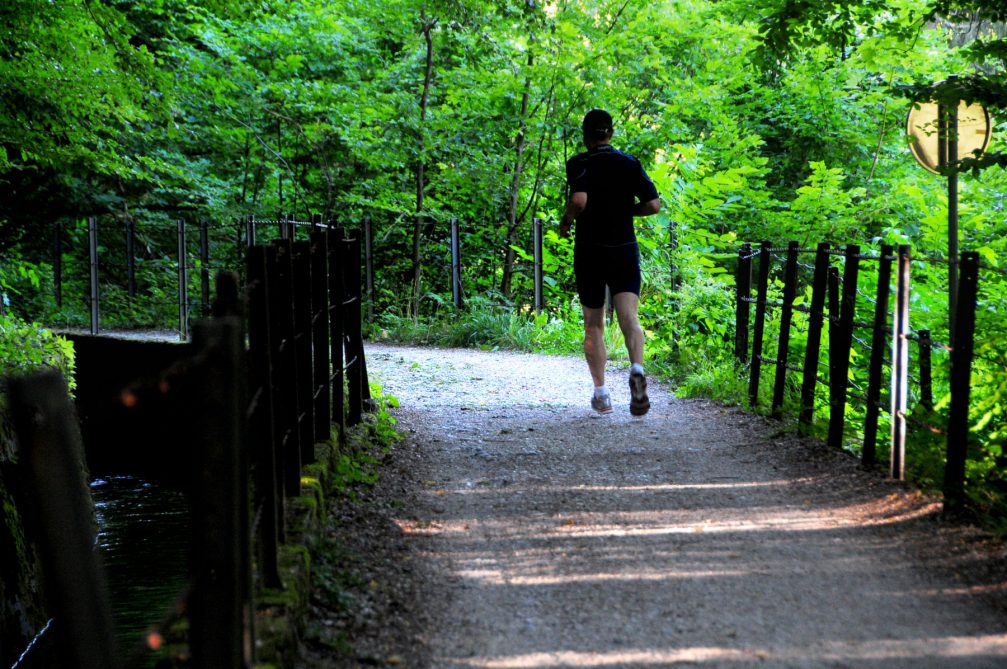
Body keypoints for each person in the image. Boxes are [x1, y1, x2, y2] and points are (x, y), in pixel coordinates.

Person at [560, 109, 661, 416]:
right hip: (624, 248)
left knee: (594, 323)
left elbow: (579, 201)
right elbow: (653, 204)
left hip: (591, 250)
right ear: (611, 133)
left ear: (586, 135)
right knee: (630, 317)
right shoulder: (629, 163)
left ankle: (601, 394)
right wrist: (624, 211)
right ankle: (637, 369)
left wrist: (566, 221)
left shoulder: (580, 162)